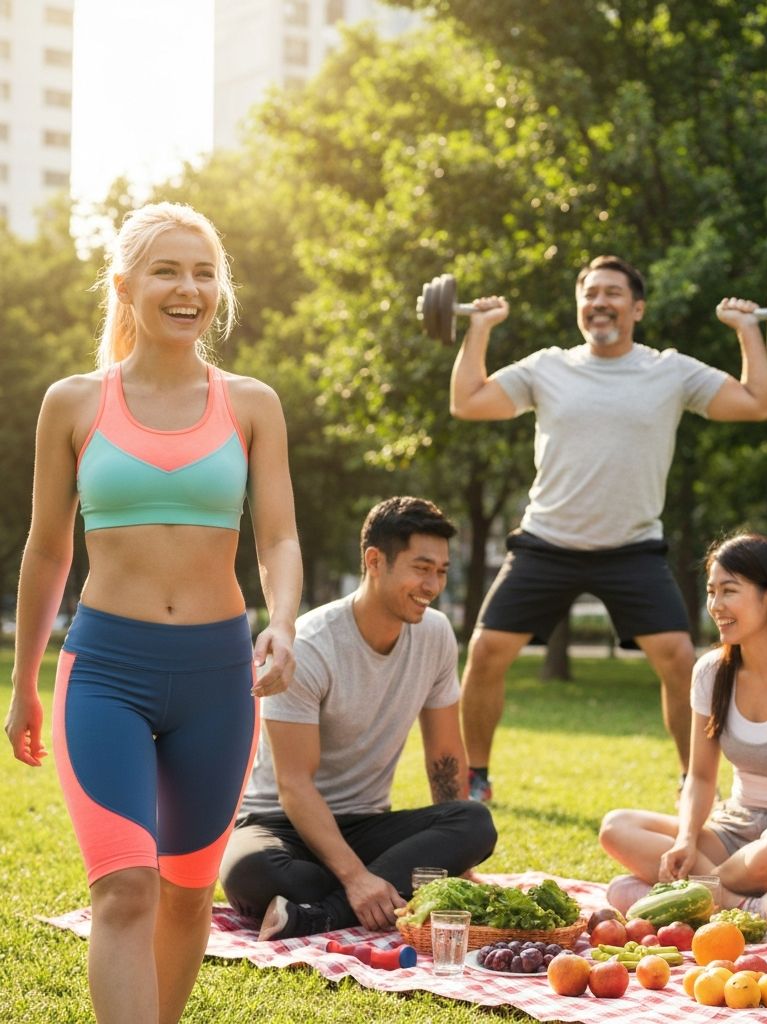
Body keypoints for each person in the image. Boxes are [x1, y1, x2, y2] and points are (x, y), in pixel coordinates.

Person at [3, 202, 302, 1024]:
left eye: (204, 272)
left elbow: (277, 538)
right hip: (105, 671)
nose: (188, 288)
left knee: (186, 896)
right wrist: (25, 682)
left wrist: (282, 620)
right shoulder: (73, 402)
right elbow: (46, 550)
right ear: (126, 285)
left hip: (215, 676)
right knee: (126, 888)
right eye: (168, 270)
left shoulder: (250, 404)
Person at [450, 255, 767, 803]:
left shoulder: (670, 371)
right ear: (579, 306)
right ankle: (475, 778)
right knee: (484, 653)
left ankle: (692, 783)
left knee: (680, 658)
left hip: (632, 548)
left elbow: (757, 403)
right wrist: (478, 329)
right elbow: (467, 401)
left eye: (613, 293)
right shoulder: (546, 367)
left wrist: (748, 331)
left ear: (638, 307)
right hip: (547, 542)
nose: (599, 301)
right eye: (590, 293)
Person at [220, 496, 498, 940]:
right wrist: (355, 878)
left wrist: (458, 860)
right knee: (250, 871)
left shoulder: (436, 634)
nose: (433, 585)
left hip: (366, 822)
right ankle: (385, 887)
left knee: (473, 823)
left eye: (441, 571)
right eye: (421, 568)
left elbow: (445, 755)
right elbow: (294, 786)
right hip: (281, 824)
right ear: (374, 561)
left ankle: (317, 915)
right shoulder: (309, 646)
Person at [599, 533, 767, 926]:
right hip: (733, 828)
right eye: (711, 592)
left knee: (627, 892)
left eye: (729, 591)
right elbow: (701, 777)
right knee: (616, 827)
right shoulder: (711, 673)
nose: (715, 606)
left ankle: (695, 895)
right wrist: (686, 838)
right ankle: (748, 906)